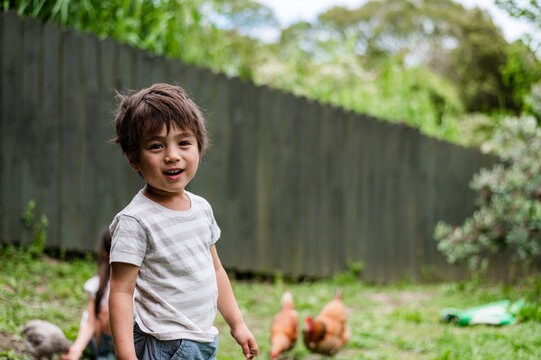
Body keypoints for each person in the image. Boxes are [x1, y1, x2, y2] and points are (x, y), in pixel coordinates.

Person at [107, 83, 259, 360]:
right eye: (156, 146)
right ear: (133, 159)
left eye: (184, 142)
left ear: (200, 147)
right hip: (162, 344)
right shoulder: (136, 221)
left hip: (202, 339)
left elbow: (216, 270)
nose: (172, 155)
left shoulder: (201, 208)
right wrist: (126, 356)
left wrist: (237, 324)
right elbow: (120, 290)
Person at [62, 228, 115, 360]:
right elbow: (90, 321)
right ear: (106, 254)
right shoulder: (98, 285)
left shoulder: (142, 282)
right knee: (111, 310)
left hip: (130, 340)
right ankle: (107, 355)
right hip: (102, 340)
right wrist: (76, 349)